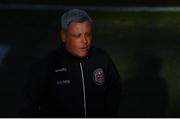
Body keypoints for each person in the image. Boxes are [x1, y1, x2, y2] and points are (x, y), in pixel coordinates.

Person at [19, 9, 121, 118]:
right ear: (63, 36)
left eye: (88, 34)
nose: (85, 41)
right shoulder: (46, 67)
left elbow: (114, 91)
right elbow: (28, 108)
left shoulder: (102, 59)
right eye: (77, 36)